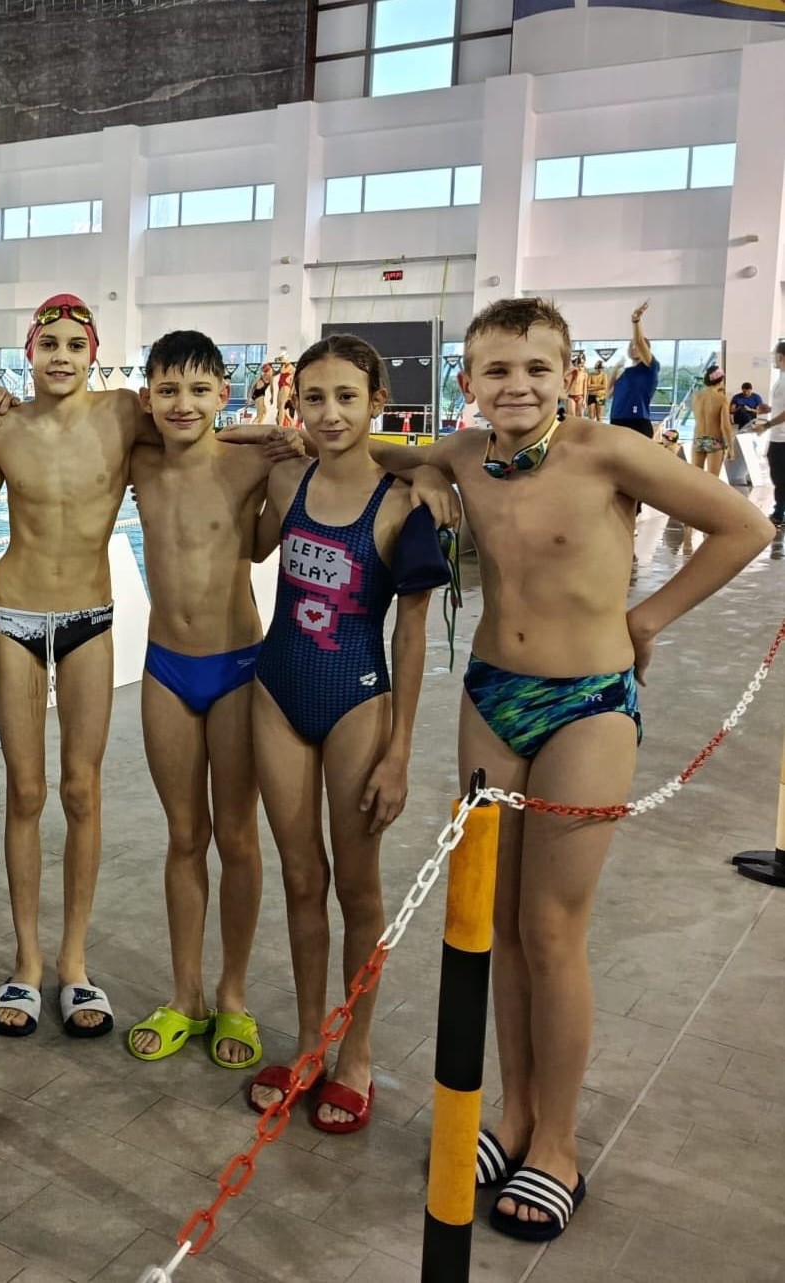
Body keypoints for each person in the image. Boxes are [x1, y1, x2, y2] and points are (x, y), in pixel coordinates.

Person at [375, 297, 769, 1241]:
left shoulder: (607, 452)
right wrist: (389, 461)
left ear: (569, 377)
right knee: (498, 927)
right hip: (491, 700)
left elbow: (745, 529)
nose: (516, 386)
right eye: (496, 370)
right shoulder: (465, 453)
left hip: (587, 705)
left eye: (536, 369)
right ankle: (513, 1116)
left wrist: (647, 618)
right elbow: (379, 451)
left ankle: (557, 1143)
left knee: (552, 930)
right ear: (468, 381)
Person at [242, 334, 444, 1134]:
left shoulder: (402, 504)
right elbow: (251, 529)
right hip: (276, 689)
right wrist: (263, 437)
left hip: (358, 698)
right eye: (314, 398)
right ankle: (307, 1045)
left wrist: (400, 749)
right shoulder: (286, 477)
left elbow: (411, 636)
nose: (329, 414)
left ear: (377, 403)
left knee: (358, 886)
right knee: (301, 878)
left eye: (346, 398)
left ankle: (354, 1052)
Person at [0, 294, 145, 1039]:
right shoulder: (4, 426)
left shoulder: (125, 412)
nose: (62, 356)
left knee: (81, 789)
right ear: (29, 353)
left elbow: (203, 433)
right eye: (50, 345)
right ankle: (27, 961)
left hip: (88, 617)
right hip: (15, 615)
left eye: (76, 344)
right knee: (25, 790)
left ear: (94, 353)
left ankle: (74, 962)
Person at [124, 331, 272, 1069]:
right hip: (165, 669)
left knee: (237, 837)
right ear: (147, 397)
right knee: (184, 835)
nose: (182, 403)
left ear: (223, 394)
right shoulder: (138, 461)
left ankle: (233, 995)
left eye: (198, 389)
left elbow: (342, 463)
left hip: (239, 666)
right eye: (167, 390)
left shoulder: (252, 462)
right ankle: (186, 996)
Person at [746, 341, 785, 527]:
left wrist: (767, 425)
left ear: (781, 357)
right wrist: (768, 409)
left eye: (776, 356)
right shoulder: (781, 378)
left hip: (782, 438)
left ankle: (779, 513)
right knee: (778, 476)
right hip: (778, 436)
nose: (774, 360)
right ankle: (779, 511)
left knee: (780, 477)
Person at [606, 301, 658, 437]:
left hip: (637, 421)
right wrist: (615, 369)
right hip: (617, 421)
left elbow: (640, 341)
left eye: (636, 345)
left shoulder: (650, 368)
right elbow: (608, 394)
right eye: (630, 345)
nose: (633, 347)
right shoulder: (626, 374)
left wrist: (636, 320)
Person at [688, 366, 733, 481]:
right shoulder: (721, 399)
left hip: (698, 439)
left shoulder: (696, 396)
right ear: (720, 380)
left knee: (696, 479)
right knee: (712, 481)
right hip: (714, 440)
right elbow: (725, 426)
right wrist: (731, 447)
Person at [565, 353, 587, 419]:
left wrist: (584, 400)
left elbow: (585, 388)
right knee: (572, 416)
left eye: (582, 363)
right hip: (571, 396)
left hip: (580, 396)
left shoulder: (585, 374)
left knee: (580, 417)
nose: (581, 365)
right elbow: (565, 379)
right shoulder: (572, 372)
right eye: (579, 363)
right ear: (576, 363)